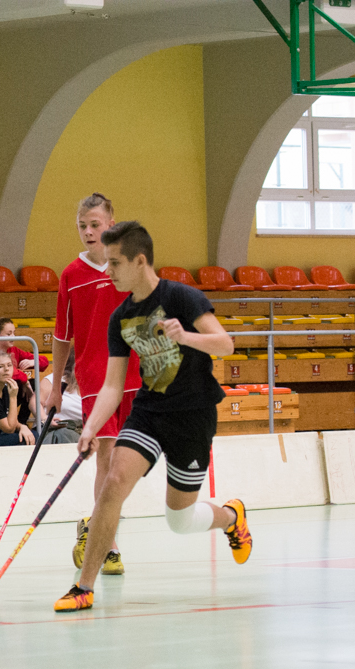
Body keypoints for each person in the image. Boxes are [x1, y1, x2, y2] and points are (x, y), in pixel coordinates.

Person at [55, 221, 252, 613]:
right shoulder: (121, 317)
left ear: (139, 261)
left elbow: (225, 344)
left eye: (115, 263)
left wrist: (185, 337)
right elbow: (112, 386)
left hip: (192, 415)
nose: (108, 270)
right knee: (113, 482)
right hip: (149, 412)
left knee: (179, 520)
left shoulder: (182, 297)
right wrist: (90, 427)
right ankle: (83, 587)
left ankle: (231, 516)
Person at [45, 193, 143, 576]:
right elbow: (61, 335)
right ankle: (110, 544)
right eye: (82, 226)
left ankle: (95, 523)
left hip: (134, 373)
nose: (88, 231)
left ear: (111, 224)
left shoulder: (128, 265)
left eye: (95, 224)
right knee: (107, 455)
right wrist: (56, 387)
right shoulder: (71, 275)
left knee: (129, 462)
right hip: (94, 378)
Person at [38, 354, 81, 445]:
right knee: (64, 434)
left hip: (85, 430)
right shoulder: (54, 379)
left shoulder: (96, 385)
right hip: (57, 428)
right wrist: (45, 419)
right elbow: (35, 403)